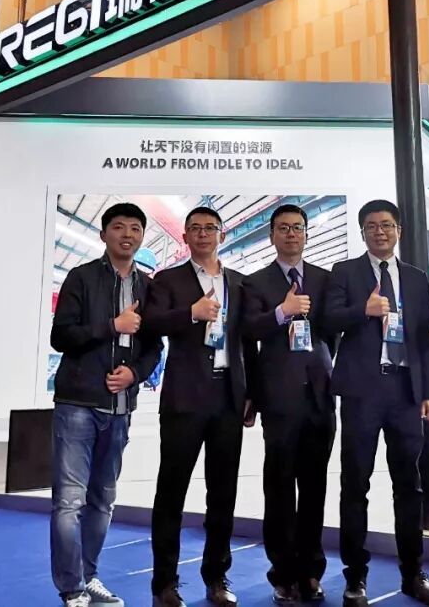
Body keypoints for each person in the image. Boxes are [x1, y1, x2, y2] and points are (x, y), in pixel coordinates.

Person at [324, 200, 429, 607]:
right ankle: (355, 577)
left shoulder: (415, 278)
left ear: (399, 231)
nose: (380, 232)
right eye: (372, 226)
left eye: (387, 225)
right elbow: (327, 320)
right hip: (363, 393)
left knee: (409, 485)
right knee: (355, 484)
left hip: (405, 392)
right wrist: (363, 310)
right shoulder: (345, 272)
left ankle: (413, 573)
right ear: (363, 232)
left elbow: (425, 339)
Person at [49, 202, 163, 607]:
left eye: (135, 228)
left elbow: (153, 347)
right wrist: (113, 326)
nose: (127, 234)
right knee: (69, 501)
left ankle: (89, 576)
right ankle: (72, 588)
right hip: (77, 404)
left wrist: (135, 374)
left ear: (142, 236)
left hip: (119, 407)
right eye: (118, 227)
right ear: (103, 234)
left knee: (102, 500)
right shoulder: (81, 278)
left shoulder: (149, 288)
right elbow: (61, 336)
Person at [146, 207, 255, 607]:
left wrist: (252, 393)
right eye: (195, 228)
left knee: (223, 493)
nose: (203, 234)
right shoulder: (168, 280)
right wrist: (190, 313)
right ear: (185, 237)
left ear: (222, 236)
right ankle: (164, 583)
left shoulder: (239, 283)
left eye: (210, 228)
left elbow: (248, 341)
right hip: (185, 398)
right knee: (171, 492)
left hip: (228, 397)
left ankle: (217, 577)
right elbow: (152, 323)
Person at [243, 204, 339, 606]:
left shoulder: (324, 278)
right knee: (280, 488)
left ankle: (311, 572)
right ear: (271, 235)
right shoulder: (255, 282)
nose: (291, 234)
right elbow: (248, 329)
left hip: (319, 397)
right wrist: (282, 312)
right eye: (282, 228)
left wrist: (319, 368)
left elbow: (332, 331)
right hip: (279, 399)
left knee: (315, 487)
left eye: (297, 227)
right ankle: (283, 574)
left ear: (306, 234)